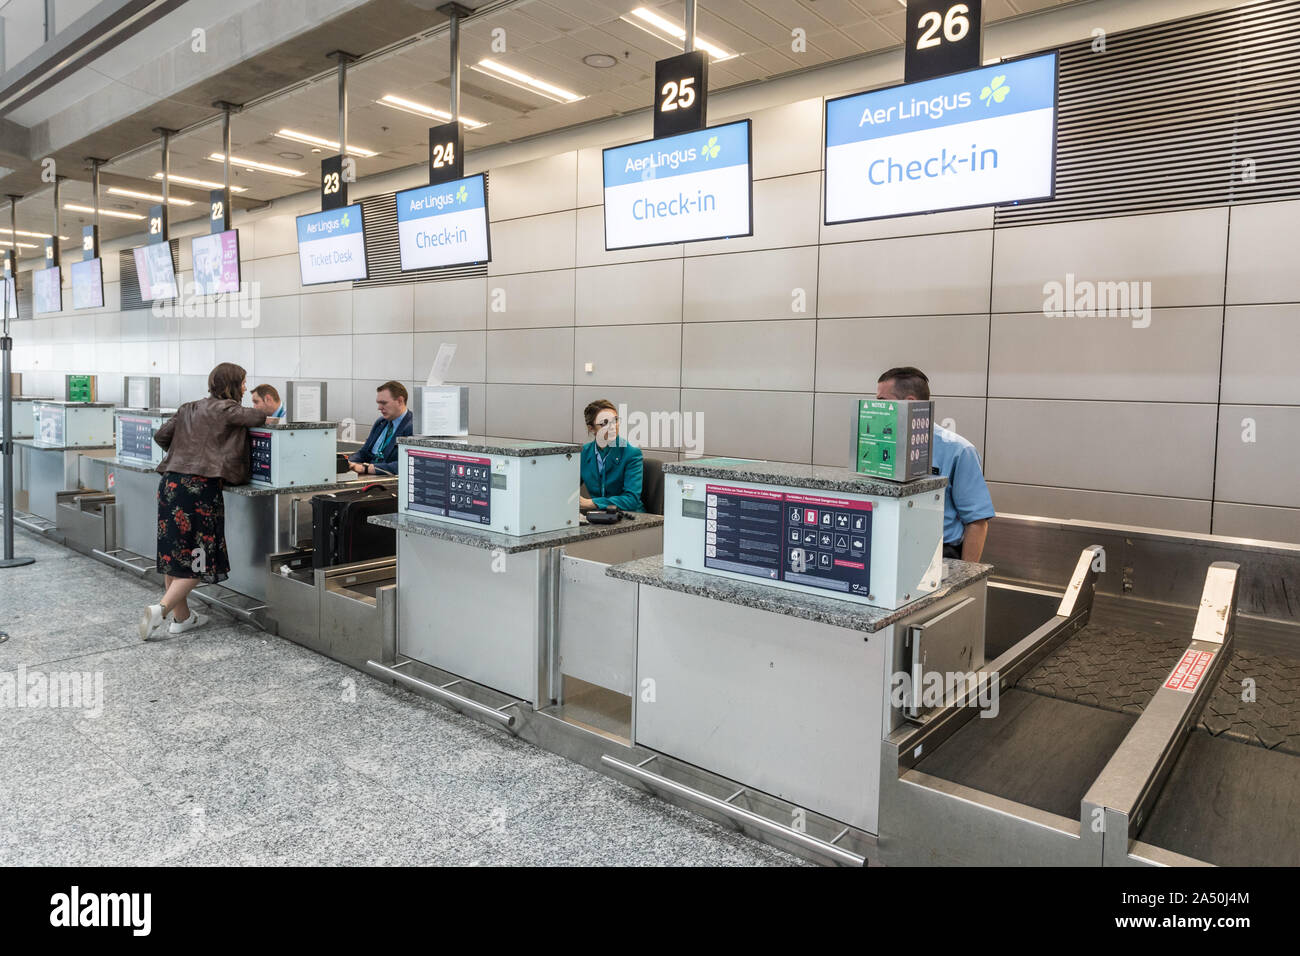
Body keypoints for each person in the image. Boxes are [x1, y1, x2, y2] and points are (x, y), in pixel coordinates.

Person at [139, 362, 270, 639]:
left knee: (174, 555)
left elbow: (161, 435)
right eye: (244, 382)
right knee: (199, 560)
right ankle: (160, 609)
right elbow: (259, 417)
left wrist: (181, 451)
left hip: (171, 484)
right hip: (200, 489)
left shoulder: (188, 407)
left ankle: (182, 618)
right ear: (233, 384)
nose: (246, 387)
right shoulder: (228, 409)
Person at [876, 366, 994, 562]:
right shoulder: (880, 446)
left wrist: (964, 576)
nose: (875, 409)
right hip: (892, 549)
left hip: (940, 554)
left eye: (882, 401)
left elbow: (977, 522)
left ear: (910, 403)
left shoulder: (958, 450)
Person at [579, 399, 644, 513]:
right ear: (591, 428)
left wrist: (592, 503)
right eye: (604, 423)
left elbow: (631, 500)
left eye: (615, 420)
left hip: (630, 516)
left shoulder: (632, 453)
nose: (613, 427)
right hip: (599, 516)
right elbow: (566, 486)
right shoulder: (583, 453)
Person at [349, 380, 412, 477]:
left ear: (400, 401)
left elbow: (409, 464)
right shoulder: (380, 423)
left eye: (383, 403)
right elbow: (363, 453)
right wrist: (348, 463)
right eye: (378, 403)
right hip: (368, 477)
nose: (379, 408)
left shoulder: (413, 427)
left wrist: (366, 468)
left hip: (388, 482)